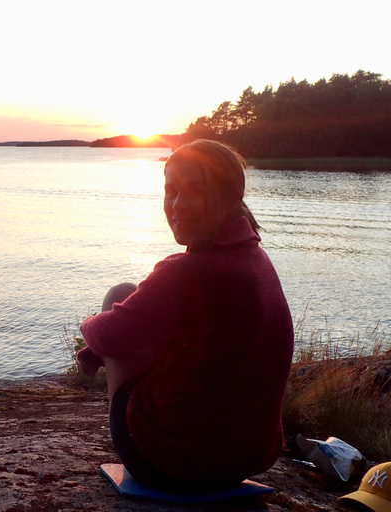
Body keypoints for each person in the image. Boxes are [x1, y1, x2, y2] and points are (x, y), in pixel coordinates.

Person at [77, 139, 294, 490]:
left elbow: (107, 336)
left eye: (194, 191)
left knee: (120, 294)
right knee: (143, 308)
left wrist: (89, 332)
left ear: (230, 199)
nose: (176, 205)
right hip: (246, 460)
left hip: (171, 464)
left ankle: (148, 440)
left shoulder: (184, 272)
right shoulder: (256, 260)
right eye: (170, 191)